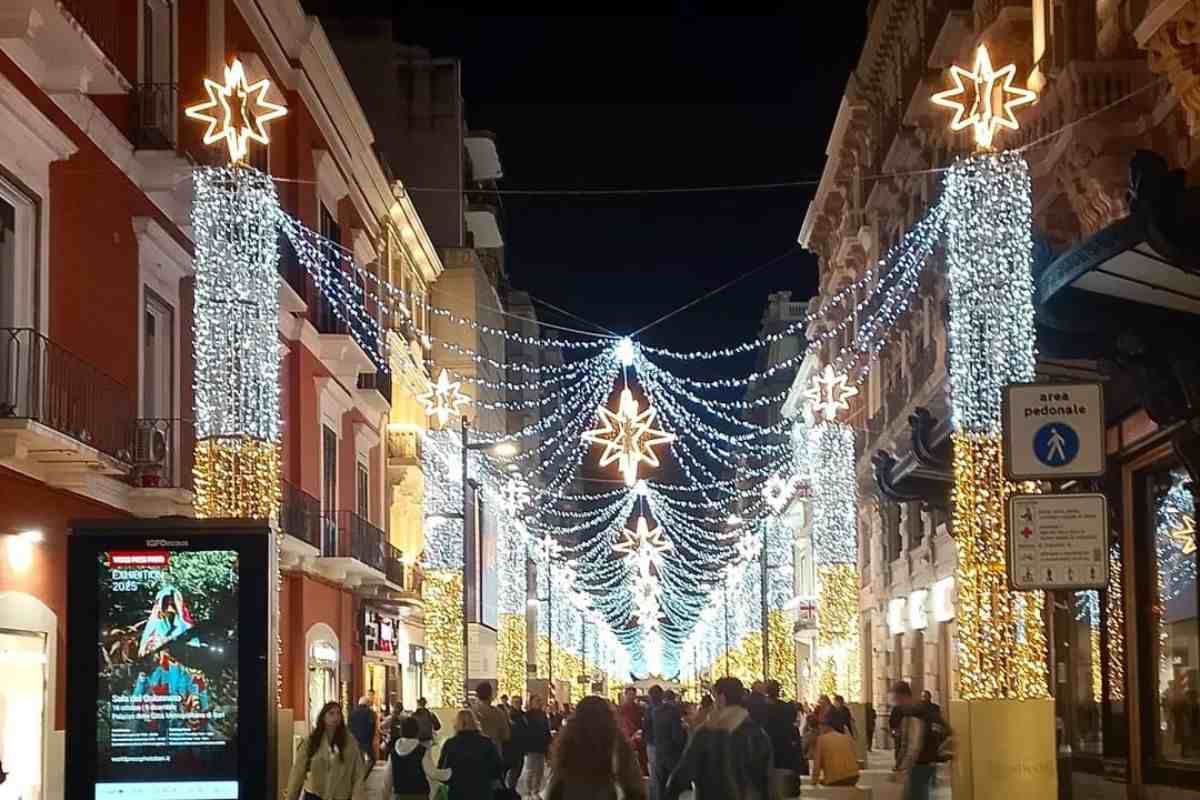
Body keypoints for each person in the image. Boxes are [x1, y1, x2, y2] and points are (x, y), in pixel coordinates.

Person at [665, 677, 774, 800]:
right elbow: (766, 781)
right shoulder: (758, 734)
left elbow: (683, 774)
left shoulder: (706, 734)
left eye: (714, 698)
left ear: (721, 698)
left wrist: (670, 792)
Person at [543, 695, 647, 800]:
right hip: (606, 794)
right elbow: (634, 785)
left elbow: (558, 780)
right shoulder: (617, 742)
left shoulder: (568, 741)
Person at [286, 700, 369, 800]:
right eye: (331, 713)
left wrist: (357, 796)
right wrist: (291, 796)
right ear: (323, 717)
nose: (336, 717)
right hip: (315, 795)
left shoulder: (350, 743)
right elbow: (298, 772)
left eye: (338, 713)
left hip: (340, 795)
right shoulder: (312, 742)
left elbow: (358, 773)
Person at [438, 709, 505, 800]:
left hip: (458, 791)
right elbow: (497, 767)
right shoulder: (486, 742)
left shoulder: (450, 744)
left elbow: (442, 769)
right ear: (475, 722)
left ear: (457, 723)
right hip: (482, 790)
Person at [891, 680, 939, 800]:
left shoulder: (914, 712)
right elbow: (906, 743)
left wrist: (903, 767)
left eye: (896, 698)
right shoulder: (913, 710)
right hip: (923, 762)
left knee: (915, 795)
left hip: (920, 764)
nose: (896, 702)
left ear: (903, 696)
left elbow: (914, 745)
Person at [385, 716, 452, 800]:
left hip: (400, 795)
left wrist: (385, 796)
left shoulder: (393, 753)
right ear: (417, 731)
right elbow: (432, 772)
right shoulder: (422, 751)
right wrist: (449, 772)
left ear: (401, 731)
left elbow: (388, 778)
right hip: (419, 795)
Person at [763, 680, 801, 798]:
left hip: (769, 749)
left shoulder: (762, 709)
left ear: (766, 691)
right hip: (785, 750)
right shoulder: (787, 708)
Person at [651, 690, 687, 799]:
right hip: (672, 753)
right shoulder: (674, 712)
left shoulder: (655, 712)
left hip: (660, 751)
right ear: (674, 698)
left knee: (660, 784)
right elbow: (676, 735)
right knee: (673, 784)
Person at [518, 694, 553, 799]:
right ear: (532, 702)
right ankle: (528, 791)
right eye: (537, 701)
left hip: (541, 746)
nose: (539, 703)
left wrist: (549, 744)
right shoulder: (527, 715)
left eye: (540, 700)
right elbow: (524, 732)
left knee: (540, 771)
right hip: (531, 746)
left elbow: (546, 730)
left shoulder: (543, 715)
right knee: (530, 770)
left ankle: (535, 790)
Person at [811, 719, 860, 787]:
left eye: (820, 728)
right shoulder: (846, 737)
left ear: (825, 726)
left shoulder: (821, 739)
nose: (819, 730)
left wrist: (813, 782)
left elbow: (817, 764)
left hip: (836, 779)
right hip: (854, 777)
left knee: (824, 781)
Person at [474, 681, 513, 760]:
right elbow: (506, 735)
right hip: (494, 751)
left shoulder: (471, 712)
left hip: (475, 752)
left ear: (477, 695)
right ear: (491, 695)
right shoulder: (499, 713)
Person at [642, 685, 663, 800]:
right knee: (661, 772)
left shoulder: (649, 710)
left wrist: (644, 738)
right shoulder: (667, 709)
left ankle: (654, 796)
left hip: (652, 743)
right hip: (664, 744)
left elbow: (645, 726)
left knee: (654, 773)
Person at [348, 694, 377, 770]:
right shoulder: (370, 713)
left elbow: (349, 727)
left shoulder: (352, 712)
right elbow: (372, 728)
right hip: (366, 740)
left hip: (355, 740)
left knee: (359, 759)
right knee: (372, 759)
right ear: (367, 703)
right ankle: (364, 774)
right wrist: (371, 740)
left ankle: (361, 773)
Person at [508, 695, 530, 789]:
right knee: (514, 769)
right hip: (512, 746)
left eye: (519, 702)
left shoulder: (524, 715)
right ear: (512, 703)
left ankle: (512, 787)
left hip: (521, 746)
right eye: (515, 702)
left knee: (519, 768)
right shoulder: (509, 715)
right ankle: (511, 788)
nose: (517, 704)